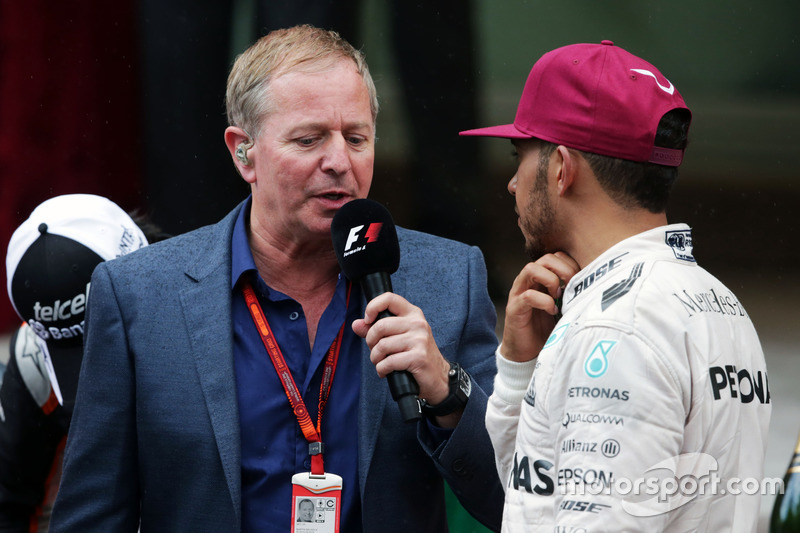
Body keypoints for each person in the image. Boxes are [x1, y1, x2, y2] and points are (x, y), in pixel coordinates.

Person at [51, 24, 503, 532]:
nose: (339, 163)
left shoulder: (447, 279)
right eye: (309, 140)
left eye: (357, 138)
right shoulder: (139, 296)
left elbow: (512, 500)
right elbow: (90, 517)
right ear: (244, 152)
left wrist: (445, 391)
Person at [461, 40, 771, 531]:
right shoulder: (718, 302)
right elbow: (532, 499)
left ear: (561, 168)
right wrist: (520, 371)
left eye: (521, 154)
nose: (512, 184)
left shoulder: (616, 328)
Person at [1, 194, 149, 531]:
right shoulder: (32, 360)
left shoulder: (216, 308)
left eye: (108, 339)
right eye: (72, 350)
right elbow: (7, 502)